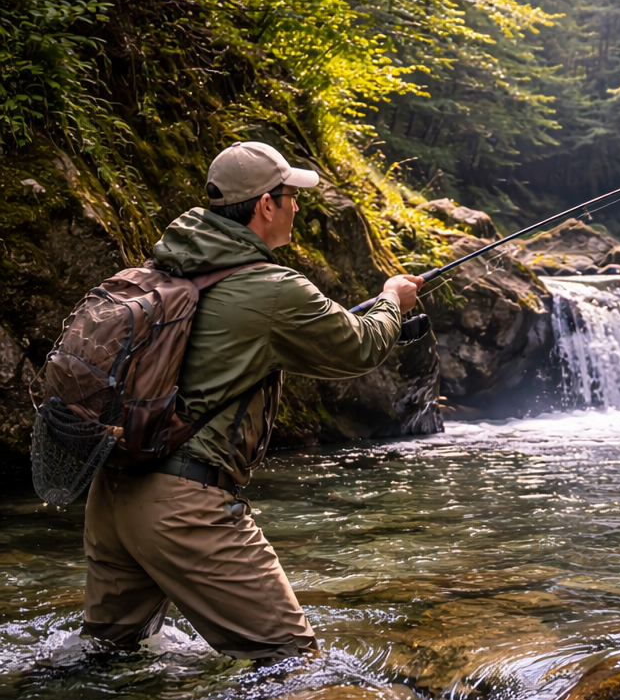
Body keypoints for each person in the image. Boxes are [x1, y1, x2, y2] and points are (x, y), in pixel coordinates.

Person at [81, 140, 422, 663]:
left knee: (108, 660)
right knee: (291, 662)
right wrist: (390, 301)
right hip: (183, 507)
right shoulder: (272, 289)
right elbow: (360, 346)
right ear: (266, 205)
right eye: (290, 196)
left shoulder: (166, 266)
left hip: (112, 492)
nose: (297, 206)